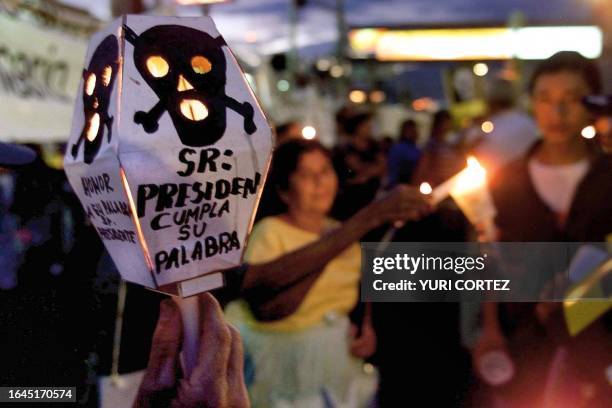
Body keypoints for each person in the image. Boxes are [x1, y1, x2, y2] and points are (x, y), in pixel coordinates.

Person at [225, 139, 430, 407]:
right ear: (285, 190)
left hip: (337, 360)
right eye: (307, 175)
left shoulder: (338, 229)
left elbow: (351, 290)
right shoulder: (271, 231)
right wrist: (369, 218)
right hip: (286, 367)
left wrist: (364, 328)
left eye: (325, 171)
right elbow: (269, 307)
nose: (320, 182)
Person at [473, 51, 612, 407]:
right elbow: (490, 256)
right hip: (525, 342)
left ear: (593, 105)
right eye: (546, 99)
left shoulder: (608, 178)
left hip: (598, 345)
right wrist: (489, 328)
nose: (558, 113)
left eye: (571, 100)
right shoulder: (508, 180)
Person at [470, 78, 539, 174]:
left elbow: (471, 154)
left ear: (490, 101)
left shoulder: (484, 128)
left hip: (497, 182)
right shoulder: (529, 123)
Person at [332, 112, 386, 220]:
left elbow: (382, 167)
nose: (369, 129)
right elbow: (354, 166)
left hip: (370, 196)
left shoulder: (374, 146)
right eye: (366, 126)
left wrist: (365, 175)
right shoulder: (346, 147)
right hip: (349, 196)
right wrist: (369, 170)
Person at [386, 119, 421, 187]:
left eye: (413, 130)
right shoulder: (398, 148)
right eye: (409, 130)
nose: (411, 133)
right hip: (398, 184)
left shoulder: (417, 150)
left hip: (412, 184)